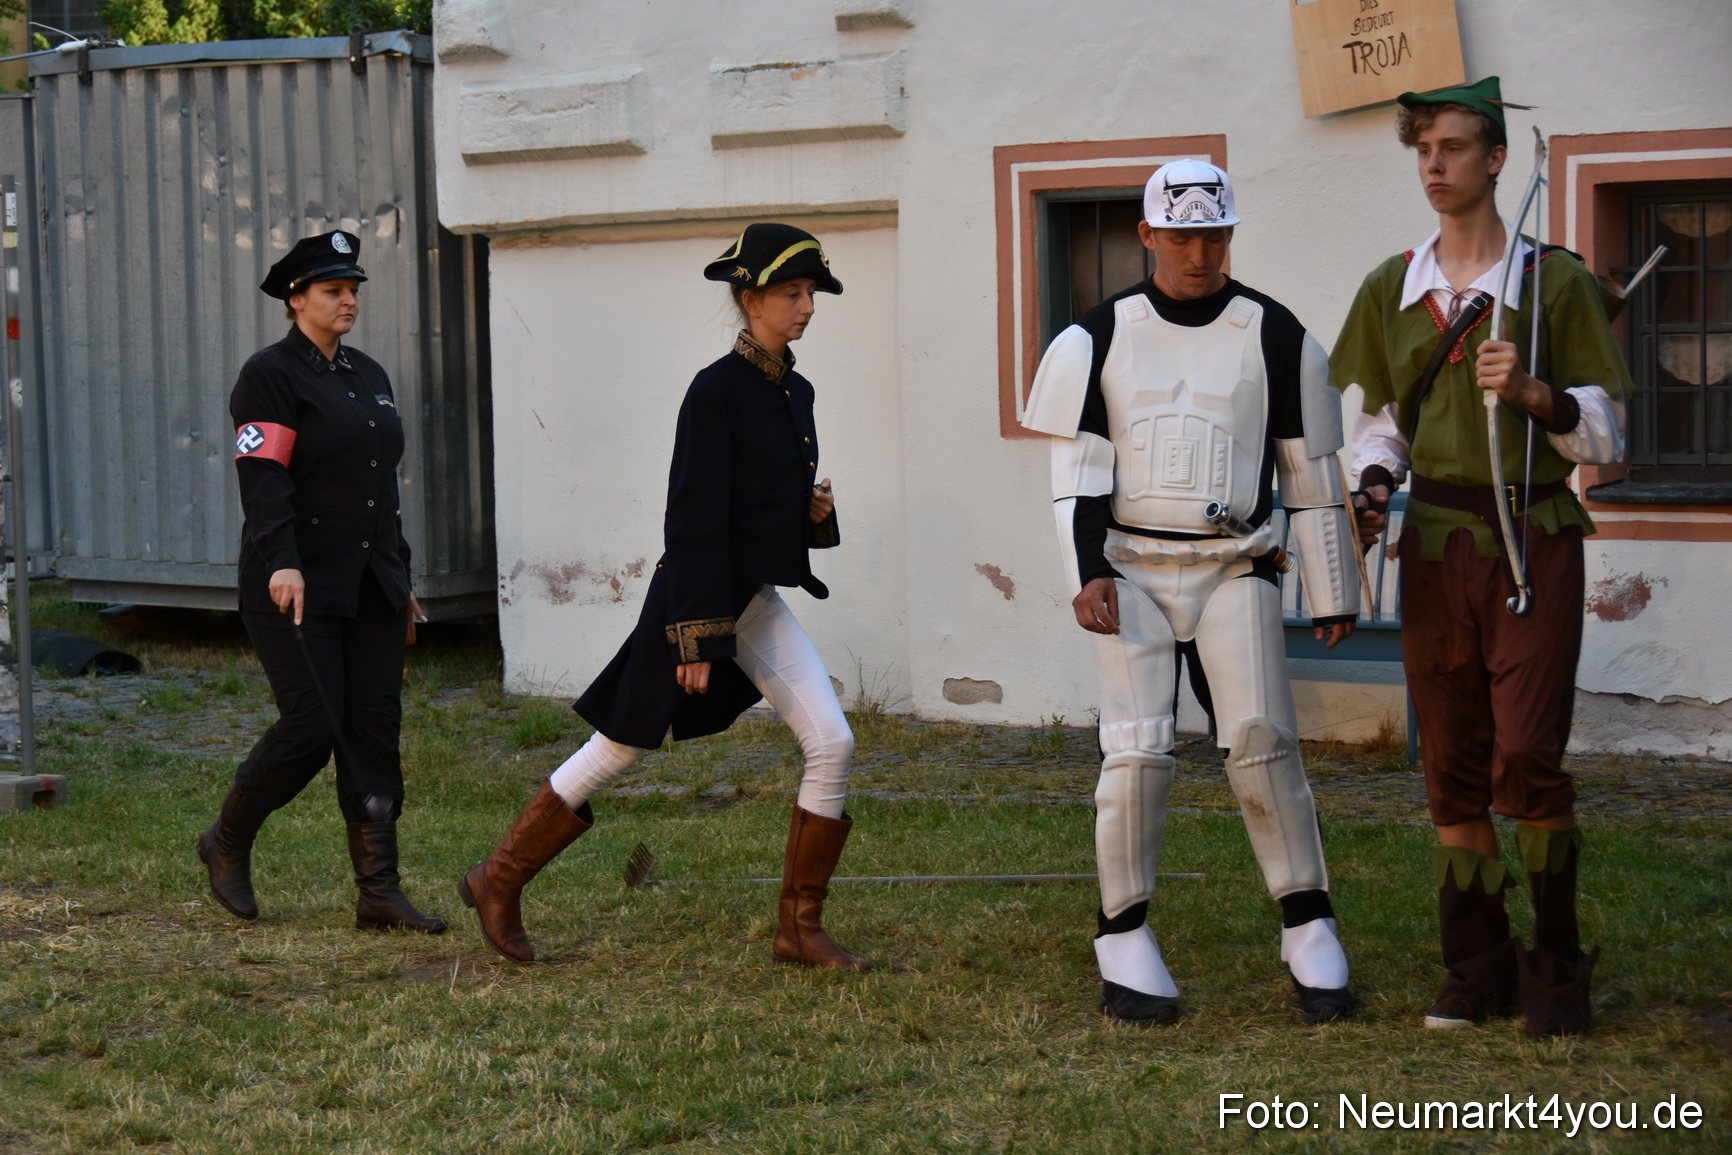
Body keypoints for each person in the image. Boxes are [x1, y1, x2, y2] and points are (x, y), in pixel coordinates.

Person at [459, 223, 868, 970]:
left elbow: (757, 504)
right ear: (749, 298)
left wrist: (811, 511)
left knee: (833, 741)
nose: (807, 306)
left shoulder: (795, 388)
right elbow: (694, 520)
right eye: (791, 292)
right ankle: (498, 876)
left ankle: (799, 928)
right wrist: (695, 636)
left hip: (752, 599)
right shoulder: (714, 392)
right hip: (695, 598)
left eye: (812, 293)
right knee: (619, 743)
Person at [1022, 161, 1362, 1025]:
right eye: (1180, 234)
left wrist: (1332, 589)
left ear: (1232, 236)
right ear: (1147, 235)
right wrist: (1085, 572)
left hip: (1233, 561)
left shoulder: (1275, 333)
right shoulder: (1094, 338)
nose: (1198, 252)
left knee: (1260, 737)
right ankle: (1123, 933)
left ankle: (1307, 919)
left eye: (1214, 234)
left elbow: (1309, 470)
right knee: (1135, 751)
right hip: (1129, 564)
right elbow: (1078, 478)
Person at [1329, 77, 1630, 1037]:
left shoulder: (1556, 284)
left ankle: (1554, 969)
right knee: (1452, 766)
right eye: (1424, 149)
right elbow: (1380, 424)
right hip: (1434, 541)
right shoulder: (1393, 287)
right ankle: (1477, 967)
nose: (1436, 164)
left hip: (1531, 536)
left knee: (1528, 760)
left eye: (1455, 147)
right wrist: (1373, 487)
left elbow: (1609, 435)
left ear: (1495, 158)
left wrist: (1538, 395)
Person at [199, 230, 446, 934]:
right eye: (334, 290)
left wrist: (400, 577)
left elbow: (379, 488)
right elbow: (265, 476)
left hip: (371, 583)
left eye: (354, 290)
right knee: (313, 723)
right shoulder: (269, 375)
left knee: (374, 726)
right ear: (296, 297)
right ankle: (226, 838)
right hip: (293, 582)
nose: (349, 301)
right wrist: (282, 558)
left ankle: (379, 891)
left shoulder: (369, 375)